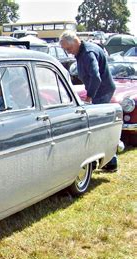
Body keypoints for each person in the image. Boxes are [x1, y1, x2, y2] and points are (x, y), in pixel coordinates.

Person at [60, 30, 118, 171]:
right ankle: (107, 160)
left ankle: (109, 161)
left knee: (98, 127)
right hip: (100, 90)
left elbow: (96, 77)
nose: (68, 53)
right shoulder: (82, 51)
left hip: (101, 92)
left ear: (75, 41)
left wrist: (90, 96)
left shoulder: (87, 53)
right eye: (65, 50)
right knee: (100, 126)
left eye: (69, 49)